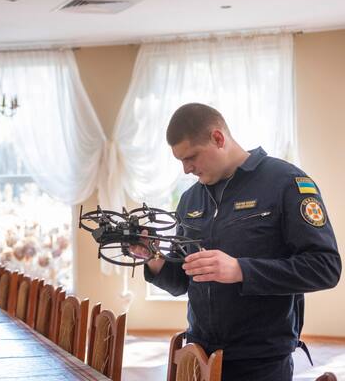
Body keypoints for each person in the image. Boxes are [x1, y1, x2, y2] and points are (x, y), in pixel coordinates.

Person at [133, 103, 341, 381]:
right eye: (180, 161)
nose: (185, 170)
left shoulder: (287, 182)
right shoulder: (190, 199)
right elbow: (181, 282)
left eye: (191, 157)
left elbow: (325, 267)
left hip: (260, 361)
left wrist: (241, 270)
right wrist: (153, 257)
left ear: (218, 139)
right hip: (199, 356)